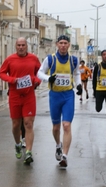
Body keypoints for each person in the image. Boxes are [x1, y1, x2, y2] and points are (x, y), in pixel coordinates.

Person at [37, 35, 82, 169]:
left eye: (65, 43)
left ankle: (65, 156)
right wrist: (48, 78)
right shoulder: (50, 59)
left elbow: (76, 73)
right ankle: (58, 145)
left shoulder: (73, 60)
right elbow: (39, 73)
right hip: (54, 95)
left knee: (66, 125)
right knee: (56, 127)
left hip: (68, 95)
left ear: (69, 45)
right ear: (57, 44)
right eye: (61, 43)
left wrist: (79, 85)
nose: (63, 45)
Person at [0, 37, 41, 165]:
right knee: (16, 124)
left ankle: (28, 152)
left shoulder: (33, 58)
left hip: (29, 96)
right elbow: (1, 73)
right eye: (19, 45)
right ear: (15, 46)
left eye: (23, 45)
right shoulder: (10, 59)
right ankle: (18, 144)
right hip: (14, 96)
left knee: (28, 123)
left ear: (26, 46)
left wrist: (37, 81)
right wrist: (12, 80)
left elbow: (40, 72)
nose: (21, 47)